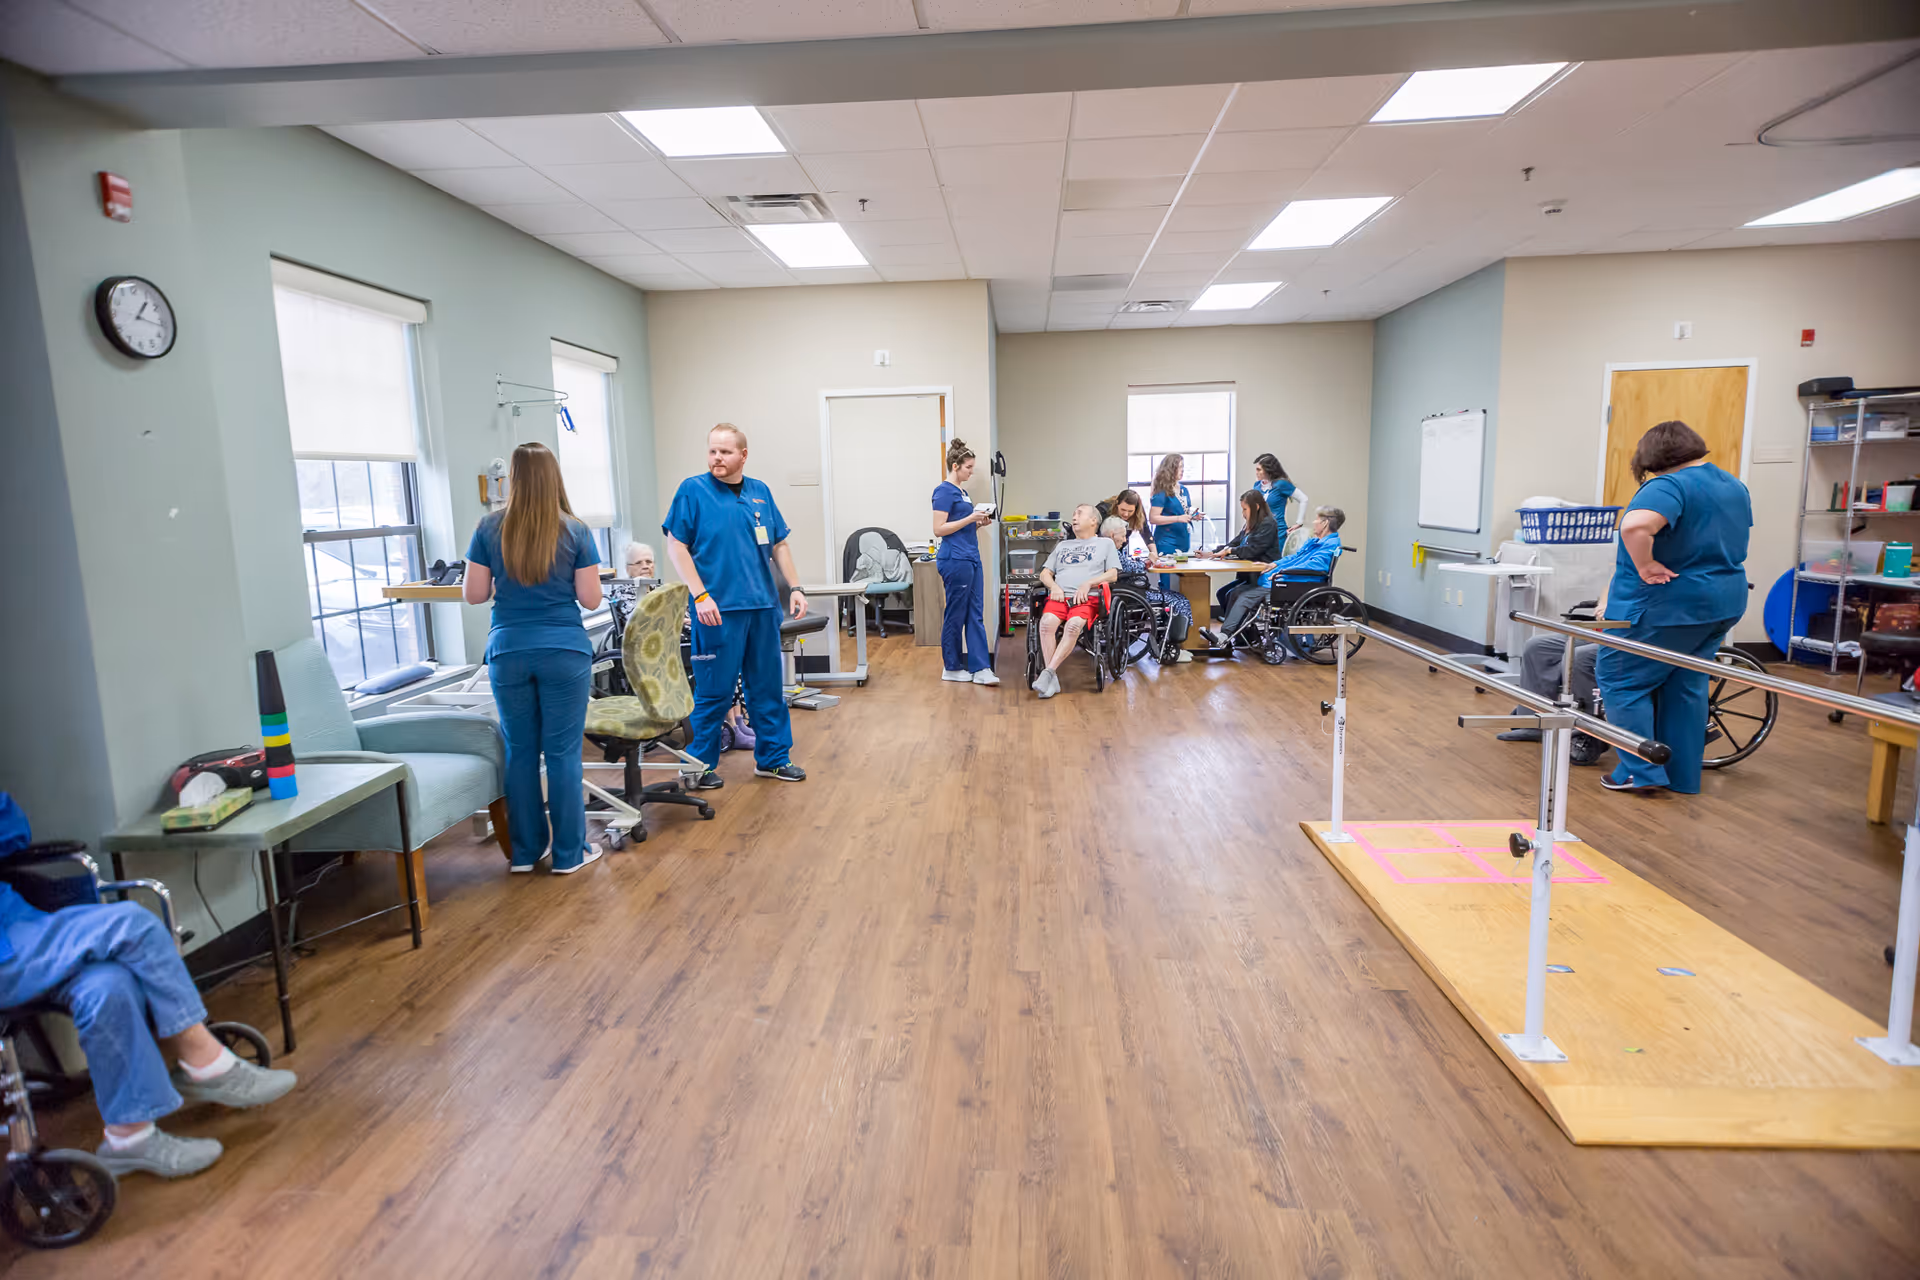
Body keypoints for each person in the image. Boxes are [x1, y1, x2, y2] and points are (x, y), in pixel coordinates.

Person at [0, 794, 296, 1179]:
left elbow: (12, 838)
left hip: (19, 925)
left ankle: (129, 1138)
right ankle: (204, 1061)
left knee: (108, 986)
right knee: (132, 925)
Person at [466, 442, 604, 874]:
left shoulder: (489, 527)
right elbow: (590, 597)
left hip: (508, 650)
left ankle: (525, 854)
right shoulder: (576, 531)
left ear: (514, 479)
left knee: (521, 751)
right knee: (562, 753)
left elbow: (473, 595)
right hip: (564, 650)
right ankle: (568, 855)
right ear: (554, 478)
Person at [1594, 420, 1752, 795]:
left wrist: (1646, 566)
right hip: (1723, 602)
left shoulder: (1668, 485)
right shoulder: (1733, 485)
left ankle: (1642, 773)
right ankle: (1682, 776)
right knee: (1687, 684)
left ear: (1651, 459)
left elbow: (1635, 527)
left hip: (1667, 607)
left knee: (1623, 683)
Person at [664, 424, 809, 786]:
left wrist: (795, 586)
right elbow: (676, 546)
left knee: (767, 688)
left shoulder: (760, 492)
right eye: (713, 451)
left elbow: (780, 545)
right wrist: (699, 594)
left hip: (762, 607)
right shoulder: (692, 491)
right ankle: (699, 767)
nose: (717, 458)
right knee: (714, 691)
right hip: (717, 610)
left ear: (743, 455)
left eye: (725, 452)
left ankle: (773, 759)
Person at [1206, 505, 1345, 649]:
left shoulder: (1329, 545)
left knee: (1244, 597)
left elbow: (1314, 566)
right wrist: (1273, 565)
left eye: (1317, 519)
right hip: (1286, 580)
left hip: (1295, 584)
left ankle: (1224, 636)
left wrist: (1282, 571)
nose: (1314, 522)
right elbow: (1295, 557)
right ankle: (1240, 637)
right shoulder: (1316, 542)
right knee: (1236, 592)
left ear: (1325, 523)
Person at [1033, 504, 1121, 699]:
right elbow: (1046, 573)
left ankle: (1048, 673)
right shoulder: (1063, 545)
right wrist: (1054, 587)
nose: (1074, 517)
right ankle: (1051, 679)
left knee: (1073, 626)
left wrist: (1089, 583)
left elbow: (1113, 574)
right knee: (1046, 624)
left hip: (1086, 598)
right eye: (1073, 514)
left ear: (1093, 521)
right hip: (1059, 597)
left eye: (1079, 513)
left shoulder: (1105, 544)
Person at [931, 438, 1000, 686]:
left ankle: (981, 668)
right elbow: (939, 529)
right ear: (955, 465)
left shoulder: (964, 493)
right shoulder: (943, 491)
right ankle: (951, 667)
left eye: (972, 467)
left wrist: (978, 522)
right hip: (955, 559)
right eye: (968, 467)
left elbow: (961, 525)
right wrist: (970, 517)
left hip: (971, 556)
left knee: (975, 613)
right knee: (956, 613)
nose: (971, 472)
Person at [1103, 515, 1193, 663]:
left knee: (1172, 597)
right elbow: (1131, 568)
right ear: (1112, 535)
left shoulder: (1102, 546)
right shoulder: (1111, 549)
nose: (1125, 540)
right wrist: (1148, 561)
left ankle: (1165, 644)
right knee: (1179, 599)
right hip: (1131, 593)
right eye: (1123, 536)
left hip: (1121, 591)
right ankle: (1172, 648)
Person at [1213, 488, 1283, 615]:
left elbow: (1253, 550)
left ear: (1256, 507)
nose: (1243, 513)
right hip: (1248, 575)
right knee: (1222, 594)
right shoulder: (1250, 525)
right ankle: (1237, 627)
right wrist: (1214, 552)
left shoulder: (1268, 524)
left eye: (1245, 509)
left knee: (1233, 595)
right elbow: (1235, 543)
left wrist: (1229, 551)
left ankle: (1234, 630)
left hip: (1262, 575)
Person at [1148, 454, 1205, 589]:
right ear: (1170, 469)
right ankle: (1167, 609)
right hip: (1167, 543)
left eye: (1182, 467)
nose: (1182, 470)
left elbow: (1182, 510)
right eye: (1179, 467)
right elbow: (1153, 518)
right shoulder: (1161, 492)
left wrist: (1193, 515)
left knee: (1184, 583)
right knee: (1167, 584)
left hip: (1183, 541)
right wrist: (1178, 518)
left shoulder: (1183, 490)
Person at [1105, 489, 1152, 559]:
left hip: (1119, 553)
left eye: (1130, 511)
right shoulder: (1104, 509)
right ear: (1117, 504)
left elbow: (1146, 532)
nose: (1126, 514)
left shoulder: (1139, 511)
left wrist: (1153, 553)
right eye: (1123, 510)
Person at [1254, 453, 1295, 528]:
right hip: (1260, 531)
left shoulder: (1281, 484)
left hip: (1278, 531)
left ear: (1268, 470)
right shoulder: (1257, 486)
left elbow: (1303, 499)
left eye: (1259, 470)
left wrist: (1299, 522)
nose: (1256, 473)